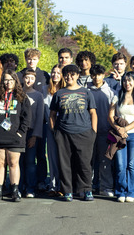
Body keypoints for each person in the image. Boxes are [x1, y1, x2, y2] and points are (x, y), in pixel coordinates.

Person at [49, 64, 97, 202]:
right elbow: (52, 114)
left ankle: (86, 190)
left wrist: (93, 132)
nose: (69, 77)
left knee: (84, 164)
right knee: (65, 164)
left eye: (72, 74)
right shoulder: (59, 94)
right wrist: (55, 131)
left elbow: (93, 113)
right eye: (67, 75)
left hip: (84, 133)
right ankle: (67, 191)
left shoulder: (86, 93)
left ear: (77, 76)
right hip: (63, 134)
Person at [0, 69, 31, 202]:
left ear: (15, 81)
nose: (8, 82)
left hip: (15, 137)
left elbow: (27, 117)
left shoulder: (22, 97)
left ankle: (15, 191)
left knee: (13, 163)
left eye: (11, 80)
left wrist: (21, 132)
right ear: (2, 81)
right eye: (6, 79)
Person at [109, 71, 134, 202]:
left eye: (130, 81)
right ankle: (120, 191)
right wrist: (118, 129)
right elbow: (110, 116)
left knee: (131, 164)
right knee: (120, 164)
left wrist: (125, 129)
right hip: (119, 136)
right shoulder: (117, 97)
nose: (127, 83)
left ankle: (131, 191)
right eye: (125, 81)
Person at [89, 64, 118, 197]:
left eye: (99, 75)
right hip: (88, 132)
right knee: (88, 161)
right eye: (94, 75)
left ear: (103, 75)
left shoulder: (111, 92)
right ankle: (87, 187)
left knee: (105, 161)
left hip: (105, 131)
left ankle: (105, 187)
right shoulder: (86, 91)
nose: (96, 78)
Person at [20, 69, 45, 198]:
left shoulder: (38, 95)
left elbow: (40, 118)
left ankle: (30, 188)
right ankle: (19, 187)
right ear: (22, 78)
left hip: (31, 132)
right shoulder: (17, 93)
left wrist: (35, 136)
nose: (28, 80)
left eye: (31, 78)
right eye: (26, 77)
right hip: (18, 132)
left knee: (30, 161)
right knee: (18, 161)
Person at [43, 64, 64, 196]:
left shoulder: (66, 89)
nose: (55, 75)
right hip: (50, 128)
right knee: (52, 157)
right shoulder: (44, 89)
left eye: (58, 72)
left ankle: (63, 185)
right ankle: (53, 185)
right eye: (53, 72)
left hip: (64, 128)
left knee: (63, 157)